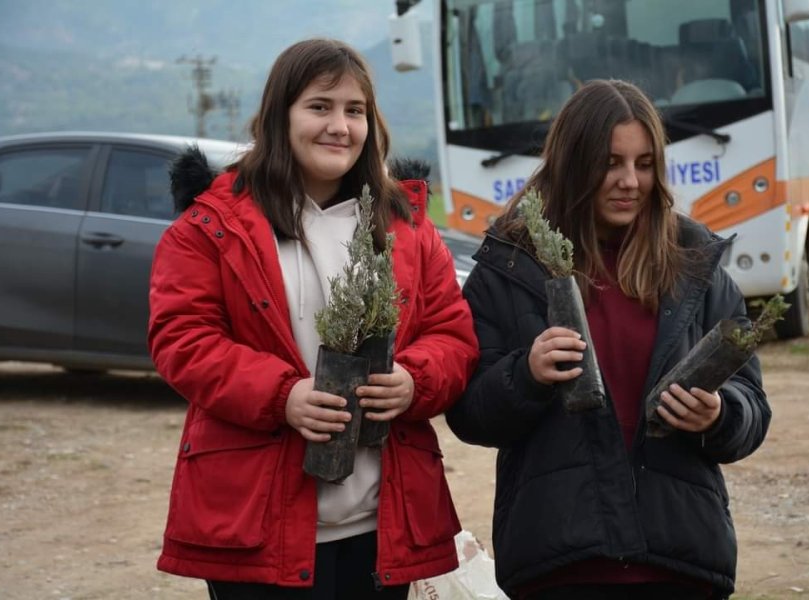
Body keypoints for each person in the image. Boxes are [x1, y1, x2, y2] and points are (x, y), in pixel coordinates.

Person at [148, 38, 479, 599]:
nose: (340, 126)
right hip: (257, 527)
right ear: (281, 116)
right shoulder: (212, 225)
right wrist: (283, 396)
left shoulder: (407, 227)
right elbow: (182, 339)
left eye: (356, 111)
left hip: (381, 524)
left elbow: (453, 334)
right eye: (320, 106)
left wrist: (414, 380)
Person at [446, 79, 770, 600]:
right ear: (572, 165)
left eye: (644, 164)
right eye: (609, 163)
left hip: (680, 561)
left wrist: (720, 416)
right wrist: (524, 375)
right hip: (560, 564)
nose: (629, 181)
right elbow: (469, 415)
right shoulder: (509, 268)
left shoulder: (696, 267)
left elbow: (753, 409)